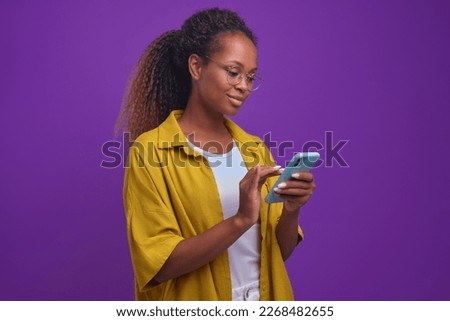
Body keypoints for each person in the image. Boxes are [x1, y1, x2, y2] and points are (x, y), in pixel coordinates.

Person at [116, 7, 316, 301]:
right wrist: (240, 220)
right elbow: (159, 265)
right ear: (196, 67)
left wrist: (291, 208)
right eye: (233, 73)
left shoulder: (254, 149)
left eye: (250, 77)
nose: (244, 87)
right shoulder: (151, 153)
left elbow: (277, 254)